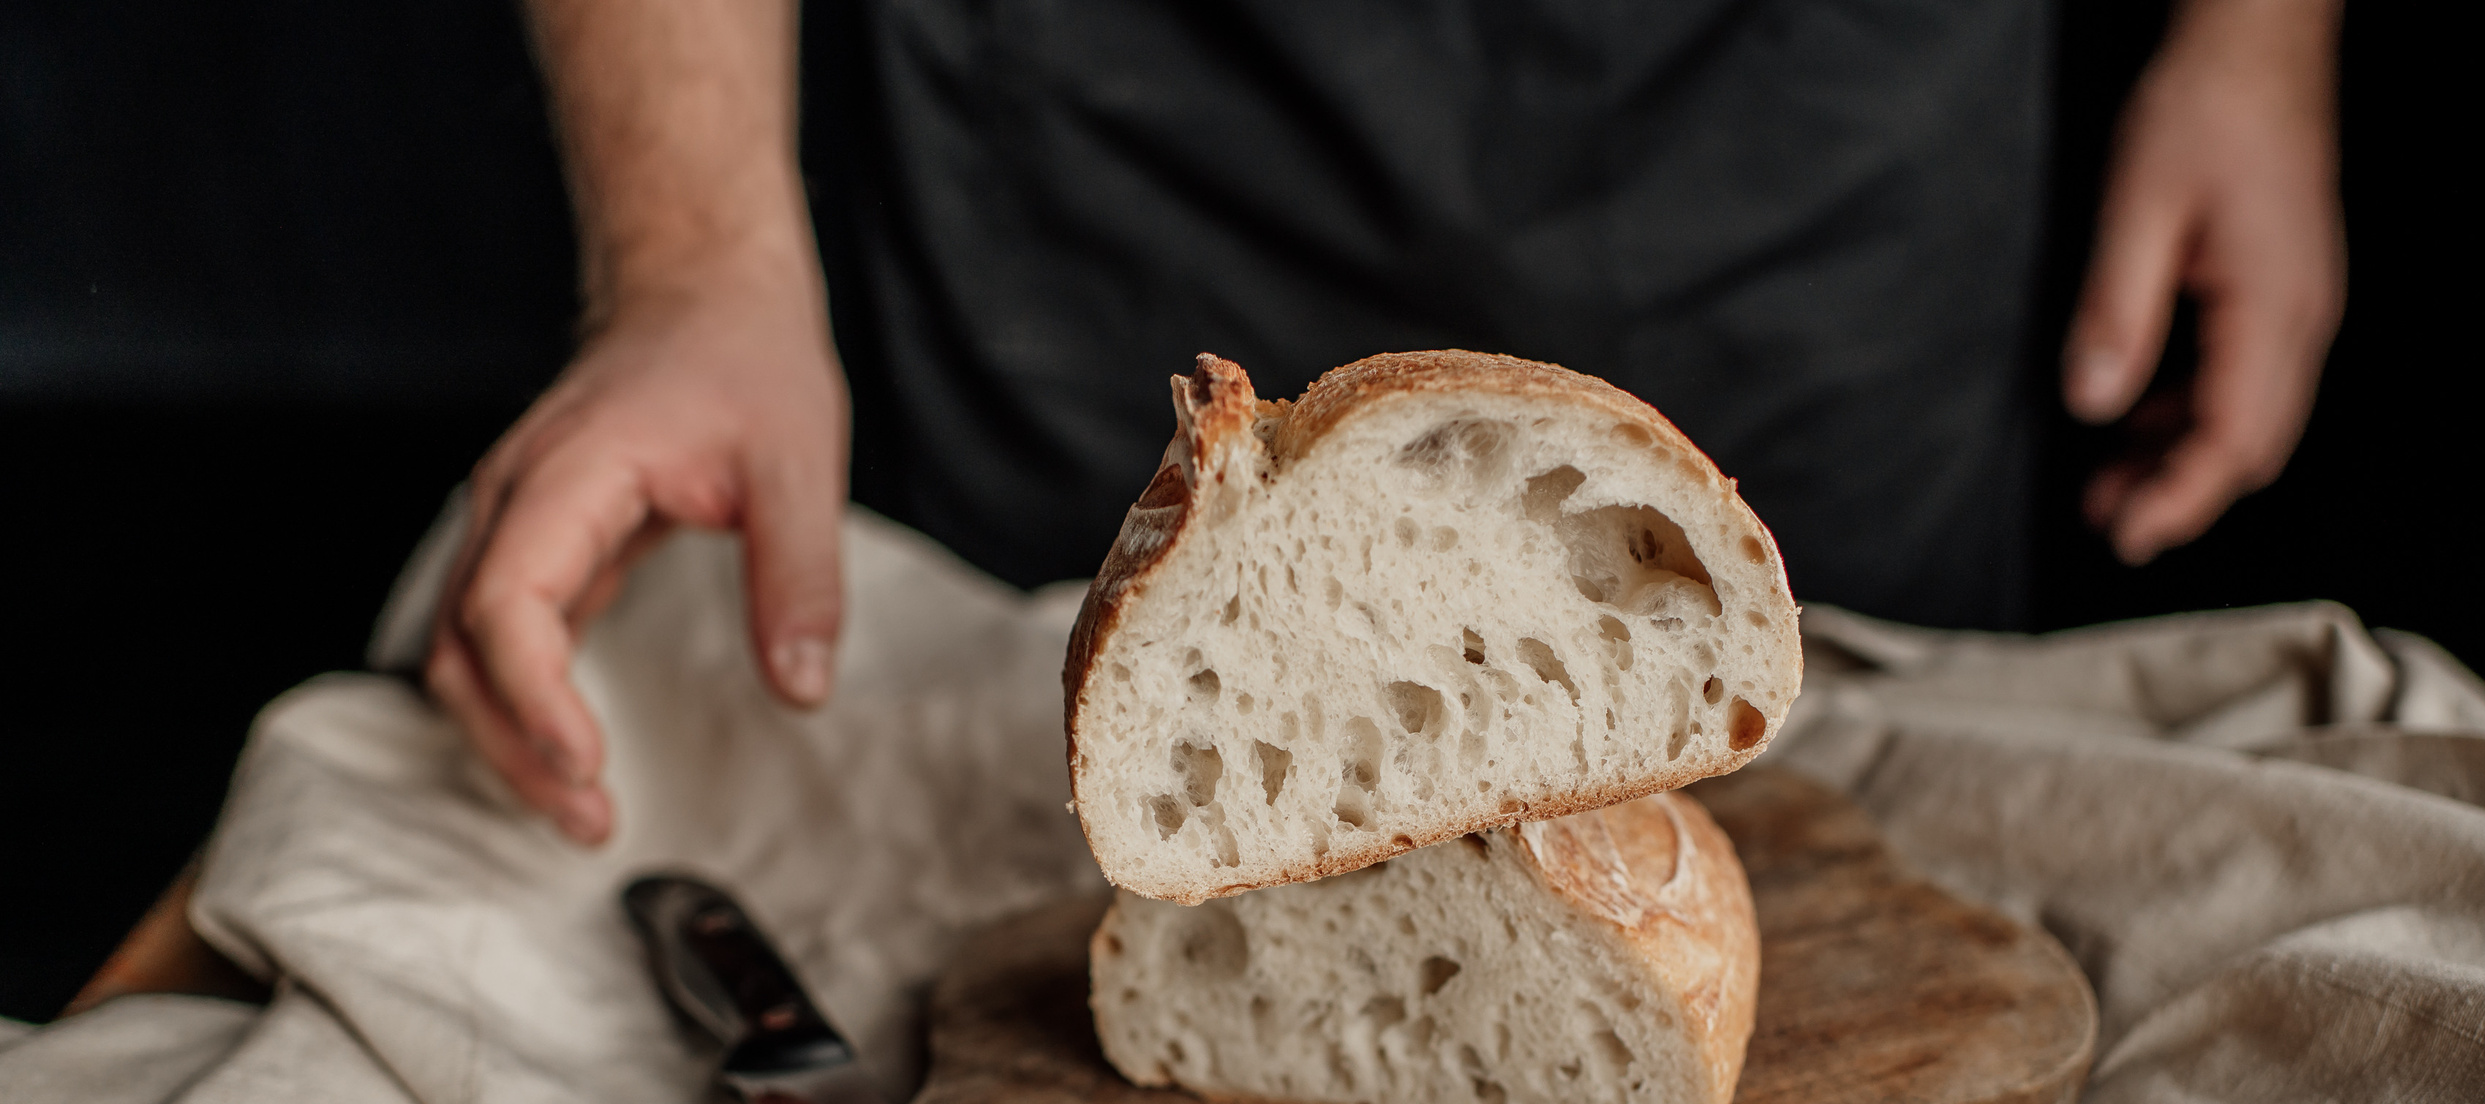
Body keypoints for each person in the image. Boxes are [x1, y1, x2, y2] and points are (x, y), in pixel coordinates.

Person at [429, 0, 2344, 848]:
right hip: (1102, 128)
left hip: (1820, 129)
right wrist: (694, 257)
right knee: (1022, 795)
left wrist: (2258, 43)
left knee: (1875, 775)